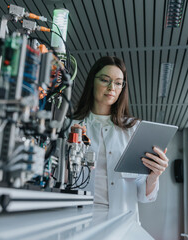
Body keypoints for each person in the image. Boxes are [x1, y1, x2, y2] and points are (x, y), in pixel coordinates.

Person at [68, 56, 169, 221]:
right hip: (78, 218)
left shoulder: (133, 129)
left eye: (118, 82)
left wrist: (154, 176)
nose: (111, 88)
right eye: (105, 80)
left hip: (122, 220)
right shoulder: (71, 125)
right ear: (92, 81)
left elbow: (144, 196)